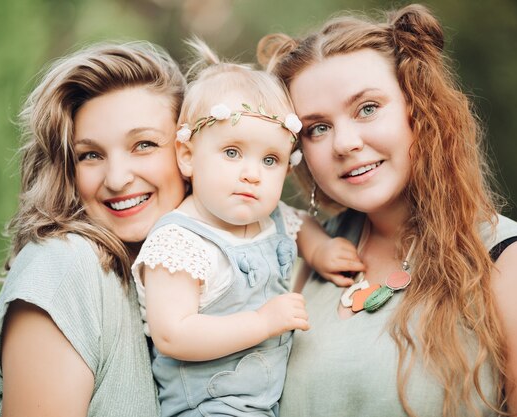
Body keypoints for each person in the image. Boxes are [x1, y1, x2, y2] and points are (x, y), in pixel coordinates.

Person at [258, 4, 517, 417]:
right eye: (318, 128)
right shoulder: (299, 262)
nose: (344, 143)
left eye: (367, 108)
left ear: (420, 110)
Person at [0, 41, 188, 417]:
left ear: (189, 152)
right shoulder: (66, 265)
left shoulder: (184, 276)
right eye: (90, 155)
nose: (117, 179)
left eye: (144, 145)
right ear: (67, 171)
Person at [131, 39, 363, 417]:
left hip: (264, 403)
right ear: (188, 155)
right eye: (232, 152)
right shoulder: (179, 242)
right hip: (206, 408)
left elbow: (300, 223)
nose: (252, 174)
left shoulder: (267, 219)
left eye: (270, 159)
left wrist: (320, 250)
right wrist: (260, 322)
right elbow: (173, 334)